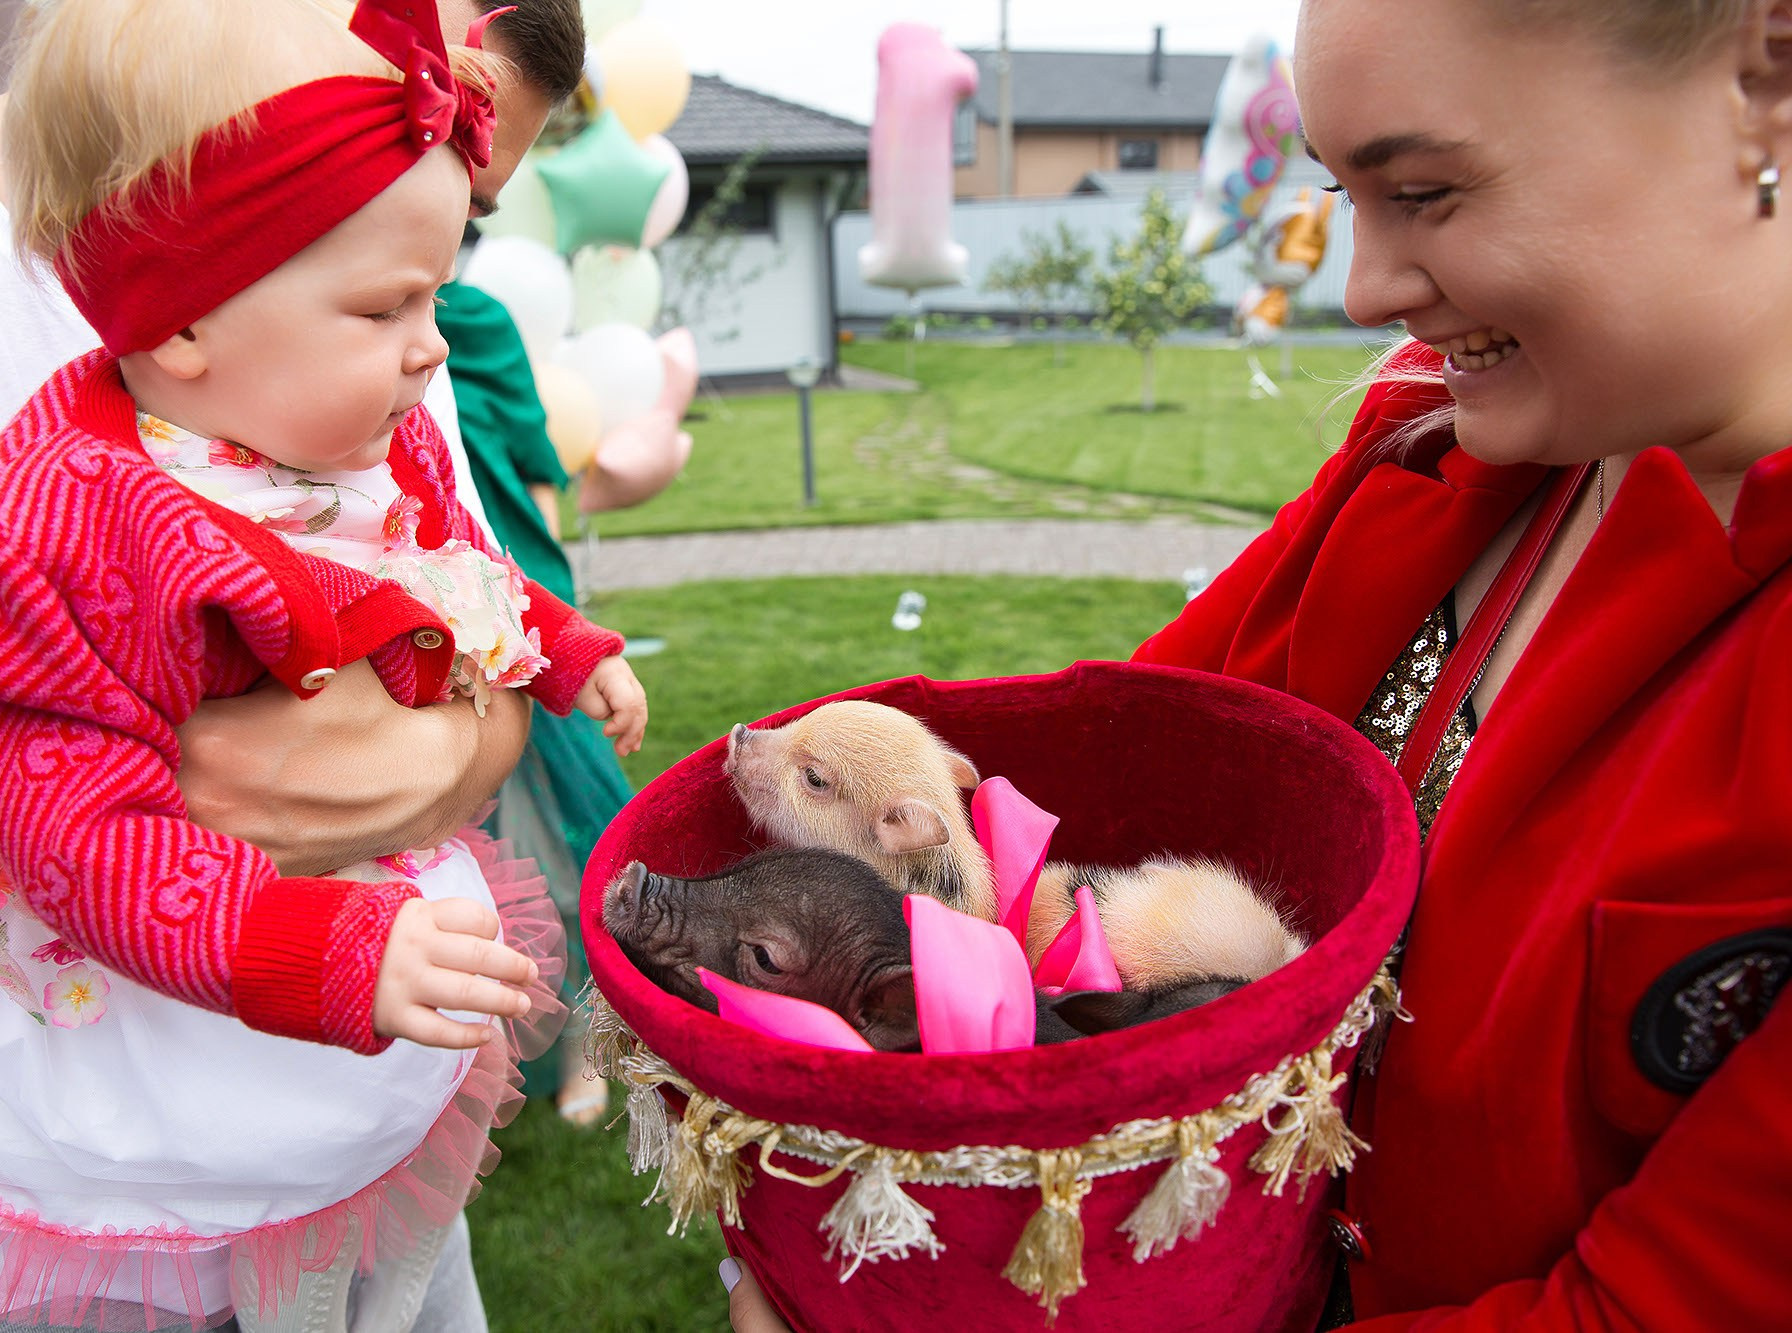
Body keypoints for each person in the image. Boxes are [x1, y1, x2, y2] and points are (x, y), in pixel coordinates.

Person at [729, 0, 1792, 1326]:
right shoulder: (1429, 454)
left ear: (1768, 80)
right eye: (1348, 195)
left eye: (1425, 191)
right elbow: (1108, 766)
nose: (1363, 286)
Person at [0, 0, 592, 1328]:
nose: (430, 330)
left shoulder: (358, 312)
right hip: (0, 1197)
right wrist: (51, 855)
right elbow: (74, 820)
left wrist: (503, 701)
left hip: (320, 1156)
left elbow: (453, 582)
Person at [435, 283, 638, 1126]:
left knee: (571, 842)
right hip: (414, 627)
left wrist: (555, 603)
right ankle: (466, 1061)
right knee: (455, 859)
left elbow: (531, 469)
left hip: (515, 608)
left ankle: (589, 1046)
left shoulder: (474, 319)